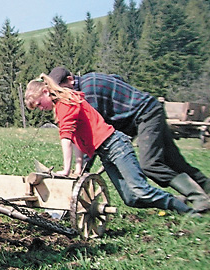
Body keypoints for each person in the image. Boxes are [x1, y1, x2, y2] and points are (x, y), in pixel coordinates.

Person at [48, 66, 210, 213]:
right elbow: (117, 79)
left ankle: (198, 199)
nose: (59, 95)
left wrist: (81, 172)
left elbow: (91, 134)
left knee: (151, 165)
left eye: (61, 89)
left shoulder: (87, 92)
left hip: (146, 113)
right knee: (173, 160)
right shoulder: (90, 80)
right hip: (139, 115)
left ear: (70, 80)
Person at [25, 75, 194, 216]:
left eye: (39, 104)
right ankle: (175, 201)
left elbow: (66, 138)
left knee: (140, 190)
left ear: (46, 92)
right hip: (105, 153)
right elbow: (77, 140)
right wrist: (77, 169)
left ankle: (185, 209)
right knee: (131, 199)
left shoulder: (65, 103)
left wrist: (66, 170)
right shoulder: (62, 105)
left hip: (115, 146)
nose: (41, 108)